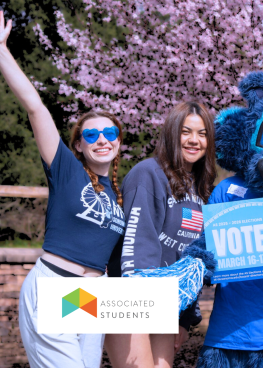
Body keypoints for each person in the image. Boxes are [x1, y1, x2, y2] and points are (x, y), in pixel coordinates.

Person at [0, 11, 126, 368]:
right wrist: (2, 51)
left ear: (119, 142)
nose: (101, 139)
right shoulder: (67, 170)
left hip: (91, 295)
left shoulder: (117, 193)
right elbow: (35, 108)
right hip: (56, 285)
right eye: (91, 135)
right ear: (79, 146)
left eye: (110, 133)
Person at [105, 101, 216, 368]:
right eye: (186, 131)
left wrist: (184, 319)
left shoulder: (198, 188)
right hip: (133, 297)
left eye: (202, 134)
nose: (194, 140)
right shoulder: (149, 173)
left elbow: (190, 260)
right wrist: (139, 303)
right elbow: (138, 242)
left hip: (166, 304)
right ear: (171, 133)